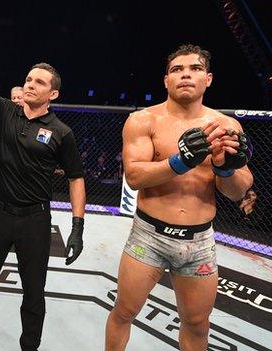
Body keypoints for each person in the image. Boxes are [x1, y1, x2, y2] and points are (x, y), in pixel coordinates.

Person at [105, 44, 254, 351]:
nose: (186, 74)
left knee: (197, 325)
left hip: (199, 242)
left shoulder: (225, 127)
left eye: (195, 68)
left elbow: (238, 191)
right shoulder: (143, 120)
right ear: (166, 80)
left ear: (208, 79)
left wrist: (226, 168)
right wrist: (180, 161)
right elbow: (134, 177)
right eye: (177, 69)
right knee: (124, 311)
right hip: (149, 236)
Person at [0, 46, 87, 350]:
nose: (30, 85)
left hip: (35, 220)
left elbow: (76, 177)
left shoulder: (61, 132)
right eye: (28, 79)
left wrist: (77, 227)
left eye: (39, 82)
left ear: (53, 94)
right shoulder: (4, 111)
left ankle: (30, 347)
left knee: (34, 293)